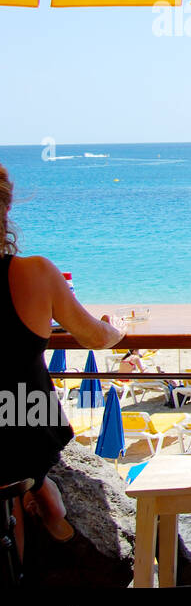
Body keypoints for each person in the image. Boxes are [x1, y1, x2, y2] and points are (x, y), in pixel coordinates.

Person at [1, 163, 124, 551]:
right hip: (21, 428)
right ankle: (39, 483)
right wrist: (118, 329)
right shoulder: (33, 272)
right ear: (5, 210)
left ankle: (39, 487)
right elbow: (93, 336)